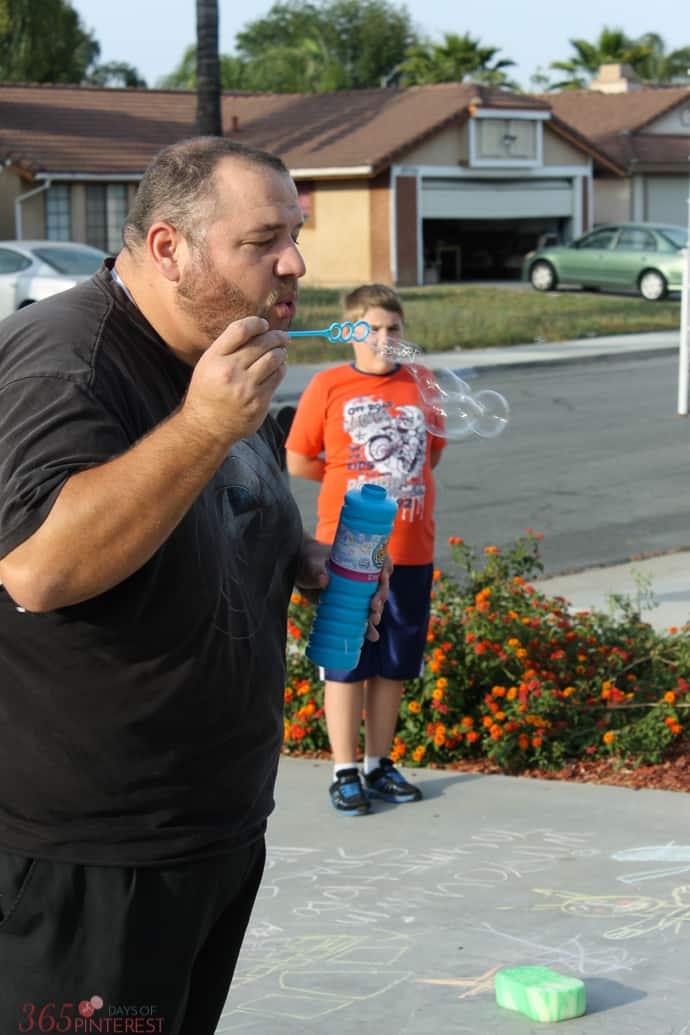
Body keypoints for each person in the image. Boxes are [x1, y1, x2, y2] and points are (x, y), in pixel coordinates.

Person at [0, 138, 389, 1034]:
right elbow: (38, 566)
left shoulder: (223, 353)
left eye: (294, 233)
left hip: (209, 831)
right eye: (264, 240)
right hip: (88, 860)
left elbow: (223, 508)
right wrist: (205, 425)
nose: (295, 262)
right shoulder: (67, 361)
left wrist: (306, 562)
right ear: (169, 247)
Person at [286, 285, 446, 816]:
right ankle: (344, 769)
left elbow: (432, 455)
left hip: (412, 551)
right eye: (370, 328)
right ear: (349, 331)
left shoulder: (422, 384)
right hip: (350, 551)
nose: (383, 338)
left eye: (393, 328)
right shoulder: (328, 384)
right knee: (346, 659)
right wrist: (347, 479)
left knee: (395, 664)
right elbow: (300, 460)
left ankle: (380, 762)